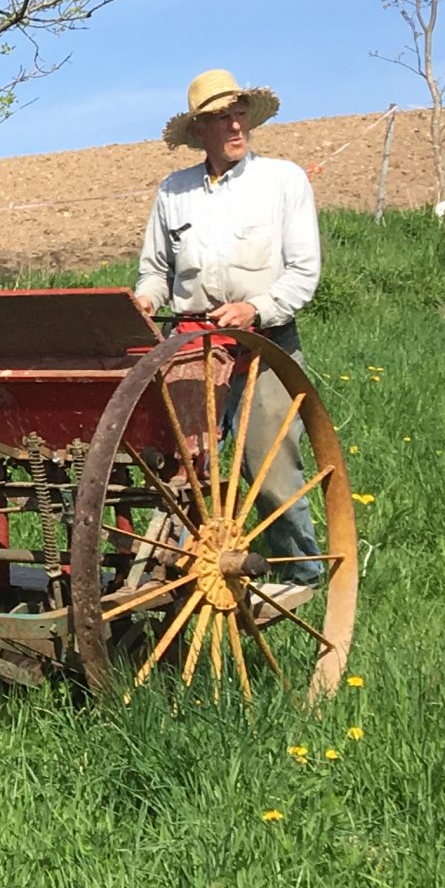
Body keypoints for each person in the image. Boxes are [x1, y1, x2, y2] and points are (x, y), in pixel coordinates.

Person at [134, 68, 324, 585]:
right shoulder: (175, 191)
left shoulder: (283, 181)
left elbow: (304, 273)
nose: (235, 126)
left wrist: (255, 308)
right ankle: (172, 581)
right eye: (221, 118)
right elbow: (155, 271)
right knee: (183, 473)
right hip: (193, 348)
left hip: (264, 346)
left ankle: (298, 578)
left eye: (239, 114)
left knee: (268, 468)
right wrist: (147, 300)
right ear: (200, 131)